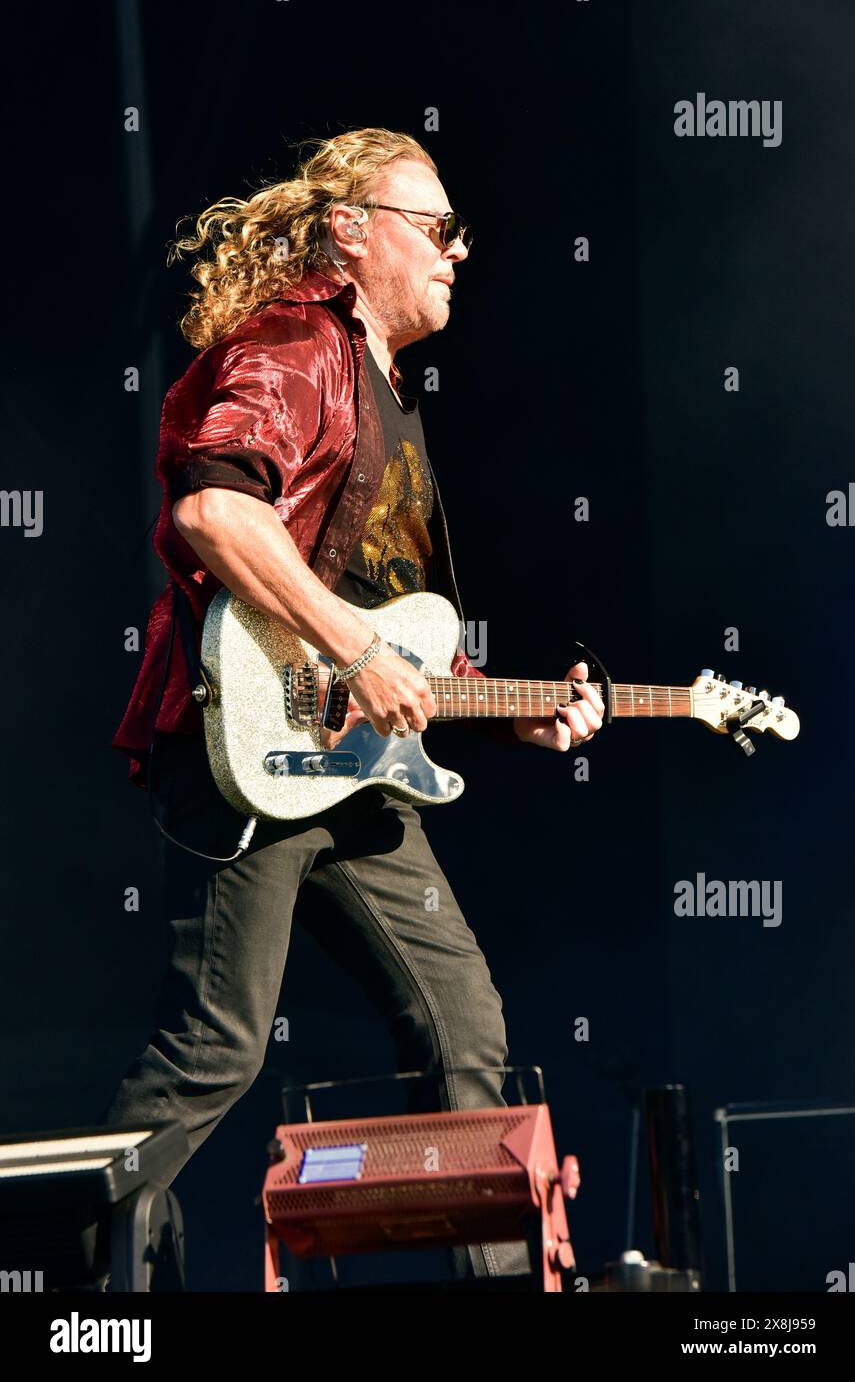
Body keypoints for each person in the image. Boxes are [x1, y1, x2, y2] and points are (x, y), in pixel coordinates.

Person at [104, 128, 604, 1282]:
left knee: (460, 1026)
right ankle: (71, 1273)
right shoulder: (296, 344)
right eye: (434, 229)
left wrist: (504, 711)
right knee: (216, 1047)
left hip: (353, 766)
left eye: (458, 234)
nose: (457, 253)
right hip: (245, 746)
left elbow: (386, 622)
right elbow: (213, 516)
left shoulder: (387, 394)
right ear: (349, 232)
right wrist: (346, 649)